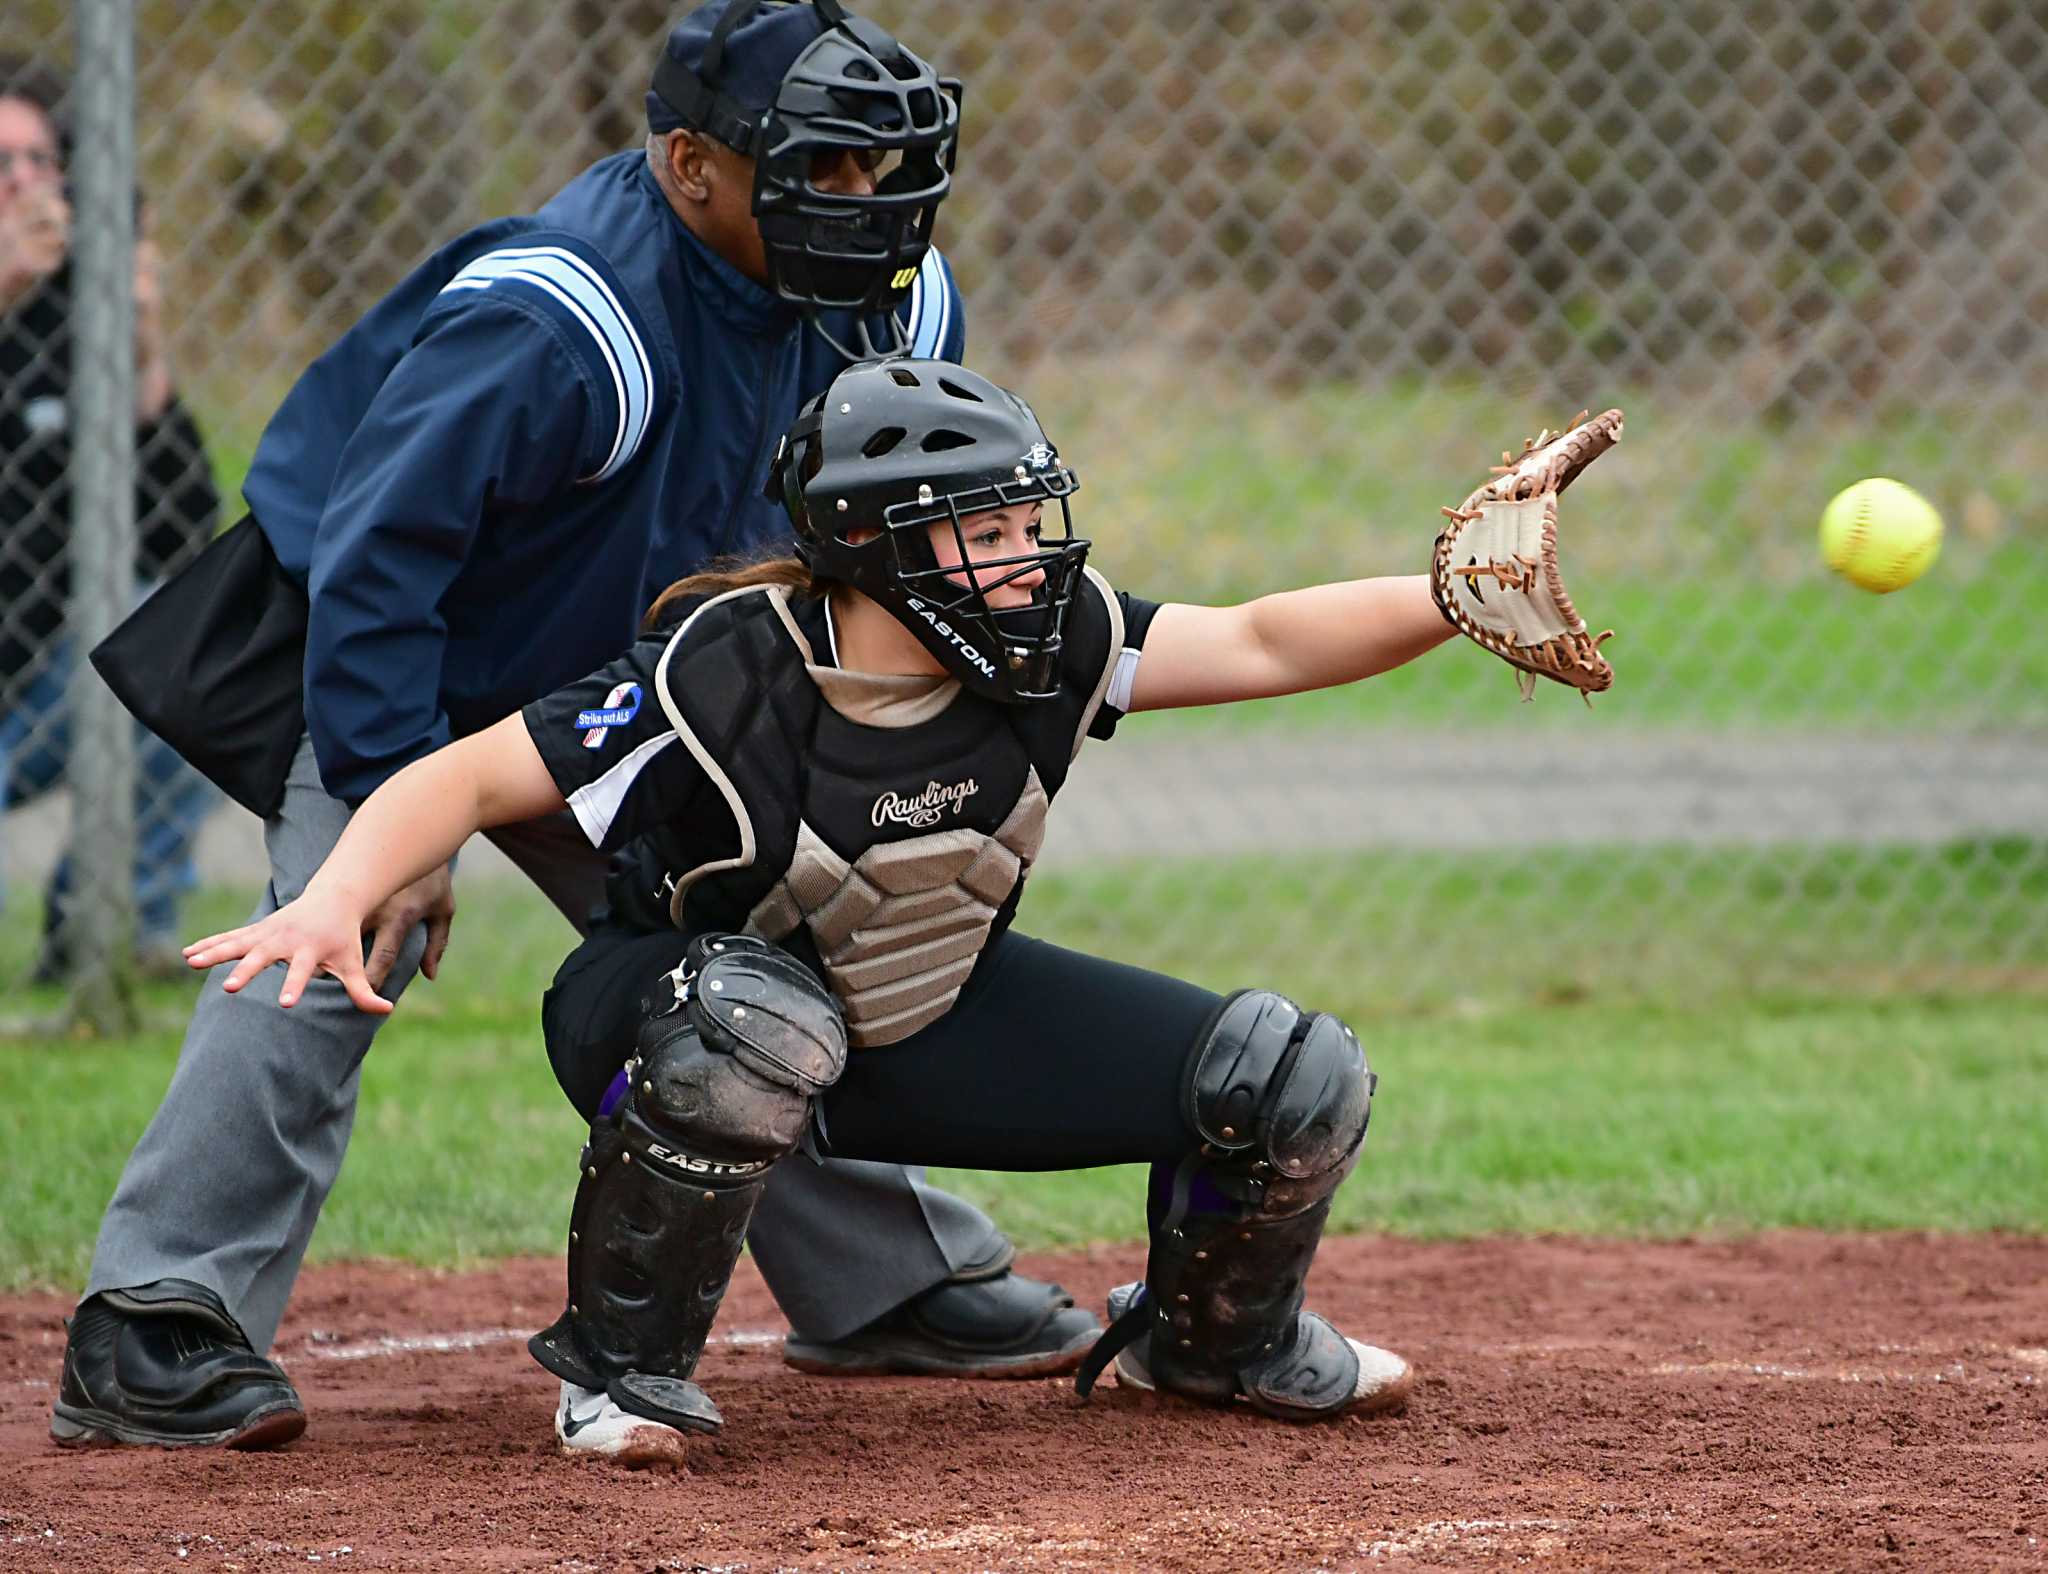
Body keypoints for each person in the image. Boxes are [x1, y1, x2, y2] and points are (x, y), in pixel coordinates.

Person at [50, 0, 1097, 1455]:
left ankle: (886, 1284)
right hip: (412, 668)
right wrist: (387, 811)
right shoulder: (564, 317)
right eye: (828, 172)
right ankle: (153, 1321)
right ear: (689, 165)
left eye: (884, 171)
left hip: (641, 684)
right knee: (336, 932)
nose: (873, 208)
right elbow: (376, 550)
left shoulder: (896, 307)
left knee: (759, 949)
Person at [175, 355, 1453, 1464]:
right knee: (749, 1023)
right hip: (671, 1015)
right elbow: (469, 772)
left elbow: (1261, 640)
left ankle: (1216, 1345)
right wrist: (334, 895)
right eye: (986, 532)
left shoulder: (1046, 632)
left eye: (1026, 525)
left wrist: (1452, 600)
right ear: (874, 543)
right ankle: (619, 1373)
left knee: (1289, 1075)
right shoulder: (725, 667)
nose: (1027, 559)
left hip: (929, 1017)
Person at [0, 57, 221, 982]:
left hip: (41, 682)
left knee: (192, 640)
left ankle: (107, 937)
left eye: (41, 165)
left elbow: (182, 533)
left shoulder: (70, 315)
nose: (27, 190)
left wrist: (142, 345)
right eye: (1, 171)